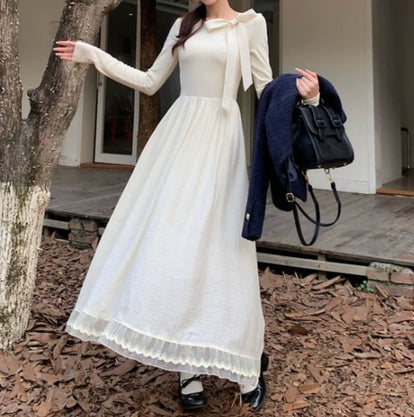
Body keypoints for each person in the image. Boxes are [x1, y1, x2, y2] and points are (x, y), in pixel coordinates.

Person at [54, 0, 319, 412]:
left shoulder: (251, 25)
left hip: (221, 145)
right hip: (178, 142)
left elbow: (266, 91)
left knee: (225, 251)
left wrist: (308, 98)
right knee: (175, 247)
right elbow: (149, 81)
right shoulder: (184, 25)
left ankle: (246, 365)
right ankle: (186, 366)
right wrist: (93, 55)